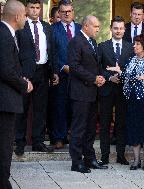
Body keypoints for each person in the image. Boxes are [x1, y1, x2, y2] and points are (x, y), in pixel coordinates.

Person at [107, 33, 144, 171]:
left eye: (137, 44)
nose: (134, 46)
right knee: (134, 128)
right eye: (134, 43)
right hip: (132, 99)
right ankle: (136, 160)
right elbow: (127, 76)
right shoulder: (131, 59)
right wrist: (119, 71)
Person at [14, 0, 59, 156]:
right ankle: (19, 142)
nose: (35, 10)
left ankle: (38, 142)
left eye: (37, 8)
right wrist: (19, 74)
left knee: (41, 108)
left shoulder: (47, 27)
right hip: (25, 73)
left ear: (40, 9)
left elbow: (51, 50)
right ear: (27, 9)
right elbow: (15, 52)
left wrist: (53, 71)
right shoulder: (20, 27)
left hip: (43, 71)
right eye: (32, 7)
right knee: (23, 107)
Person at [68, 15, 107, 173]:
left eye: (98, 26)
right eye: (95, 26)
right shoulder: (76, 42)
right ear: (86, 26)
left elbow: (93, 65)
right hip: (80, 93)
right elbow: (74, 66)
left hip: (92, 92)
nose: (98, 29)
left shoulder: (92, 42)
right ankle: (76, 162)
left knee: (91, 128)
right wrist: (93, 78)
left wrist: (101, 76)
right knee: (79, 128)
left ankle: (89, 158)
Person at [0, 1, 33, 188]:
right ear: (18, 17)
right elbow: (5, 70)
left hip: (6, 100)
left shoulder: (7, 33)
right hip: (4, 101)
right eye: (26, 15)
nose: (27, 19)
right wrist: (24, 84)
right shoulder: (4, 35)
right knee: (4, 146)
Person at [98, 16, 133, 165]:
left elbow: (133, 68)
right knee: (105, 123)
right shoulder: (102, 46)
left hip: (123, 91)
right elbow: (98, 67)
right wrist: (109, 77)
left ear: (124, 30)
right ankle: (104, 156)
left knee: (122, 123)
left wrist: (122, 75)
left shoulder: (130, 47)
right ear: (110, 29)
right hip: (106, 90)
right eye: (115, 28)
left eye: (121, 28)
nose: (118, 31)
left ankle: (121, 155)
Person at [51, 0, 81, 149]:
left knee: (76, 106)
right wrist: (62, 67)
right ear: (59, 13)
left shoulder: (81, 28)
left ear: (73, 12)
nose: (67, 14)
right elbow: (52, 52)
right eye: (63, 12)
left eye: (69, 11)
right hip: (61, 74)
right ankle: (59, 137)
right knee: (60, 106)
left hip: (79, 76)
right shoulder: (53, 29)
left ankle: (73, 135)